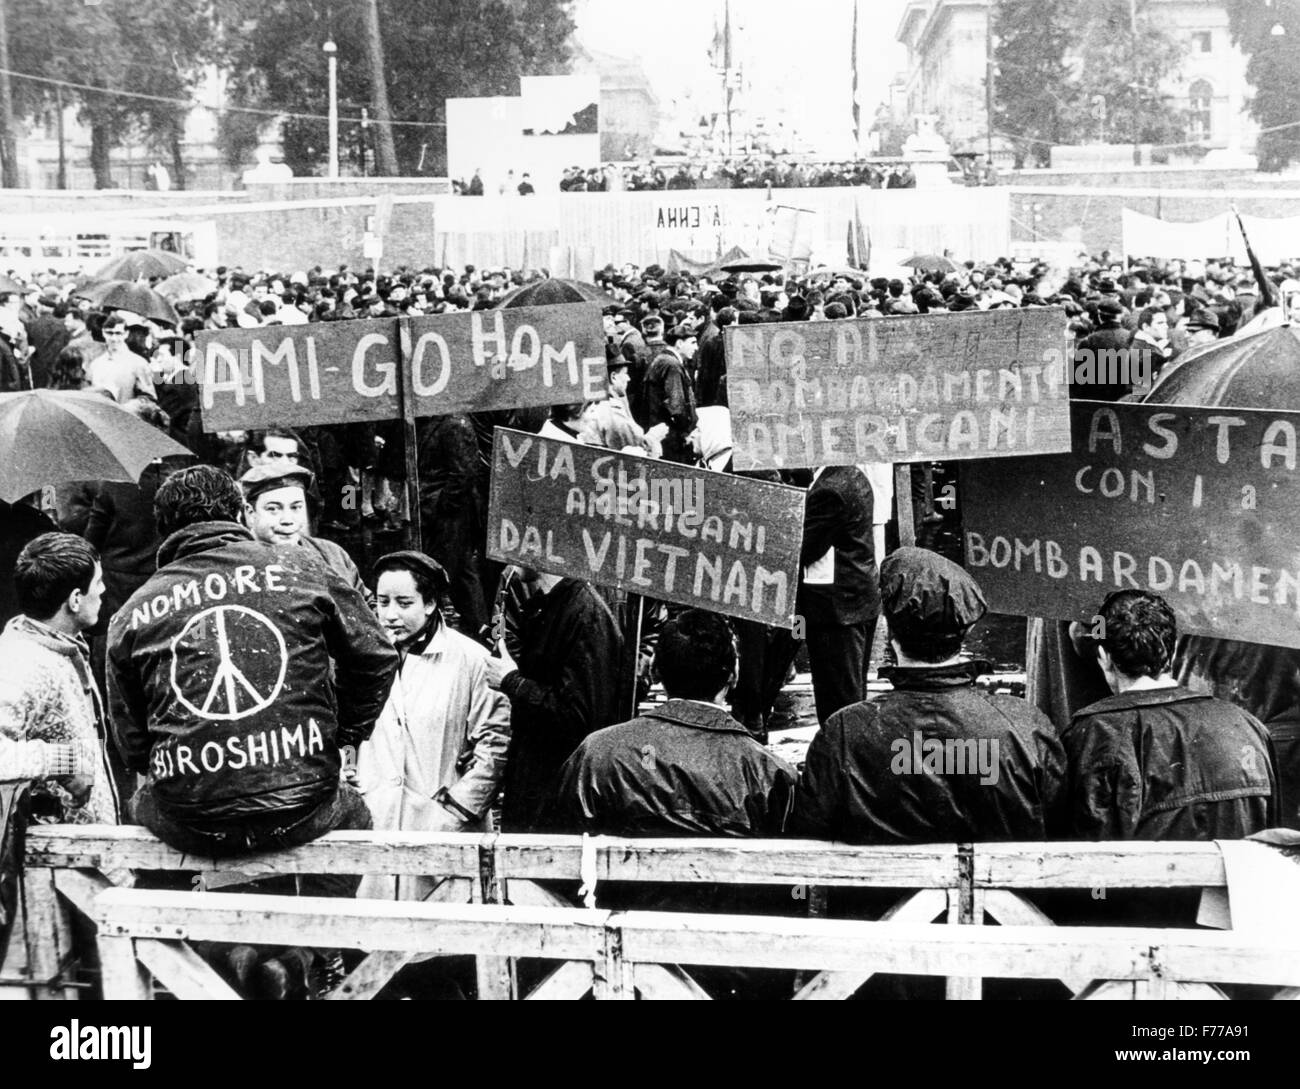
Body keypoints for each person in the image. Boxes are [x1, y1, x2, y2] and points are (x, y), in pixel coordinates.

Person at [106, 464, 396, 882]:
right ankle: (319, 944)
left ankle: (184, 940)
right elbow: (376, 656)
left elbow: (132, 743)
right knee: (355, 819)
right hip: (305, 806)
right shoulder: (302, 567)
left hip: (190, 820)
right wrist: (345, 733)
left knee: (141, 814)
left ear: (164, 527)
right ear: (240, 514)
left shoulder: (132, 612)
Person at [789, 547, 1066, 843]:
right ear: (965, 630)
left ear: (892, 638)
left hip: (886, 888)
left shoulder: (844, 733)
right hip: (1002, 888)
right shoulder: (1024, 726)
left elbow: (809, 834)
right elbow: (1062, 826)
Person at [551, 609, 794, 838]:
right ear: (734, 675)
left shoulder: (598, 754)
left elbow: (555, 848)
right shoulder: (771, 774)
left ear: (656, 670)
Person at [356, 551, 509, 902]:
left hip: (440, 823)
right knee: (373, 936)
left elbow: (494, 746)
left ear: (429, 604)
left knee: (440, 937)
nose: (390, 614)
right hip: (375, 819)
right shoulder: (360, 658)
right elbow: (344, 734)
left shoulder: (471, 660)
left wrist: (454, 812)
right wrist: (350, 774)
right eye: (383, 602)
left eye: (404, 602)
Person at [1062, 591, 1276, 840]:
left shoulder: (1092, 735)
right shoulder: (1248, 727)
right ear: (1172, 651)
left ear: (1105, 658)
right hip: (1238, 878)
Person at [484, 568, 623, 832]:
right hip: (542, 788)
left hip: (559, 797)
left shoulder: (584, 613)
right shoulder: (552, 604)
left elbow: (578, 716)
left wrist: (511, 681)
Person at [0, 533, 117, 826]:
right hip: (53, 863)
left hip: (83, 860)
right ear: (75, 599)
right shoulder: (22, 663)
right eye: (98, 581)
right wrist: (65, 764)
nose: (103, 590)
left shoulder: (54, 648)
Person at [239, 462, 368, 601]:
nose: (287, 520)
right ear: (250, 513)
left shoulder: (332, 555)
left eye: (296, 507)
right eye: (273, 509)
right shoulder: (237, 562)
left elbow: (367, 606)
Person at [641, 315, 697, 464]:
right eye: (692, 342)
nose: (696, 347)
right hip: (671, 438)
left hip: (661, 432)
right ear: (679, 343)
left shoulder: (663, 360)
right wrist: (686, 432)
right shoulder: (671, 365)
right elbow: (676, 406)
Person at [579, 357, 655, 454]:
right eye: (625, 373)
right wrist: (653, 437)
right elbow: (633, 449)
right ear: (613, 377)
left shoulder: (594, 403)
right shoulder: (612, 411)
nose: (628, 378)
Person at [87, 315, 153, 404]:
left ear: (126, 334)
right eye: (109, 333)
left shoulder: (138, 363)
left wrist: (130, 406)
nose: (114, 338)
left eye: (118, 333)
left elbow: (148, 398)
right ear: (103, 333)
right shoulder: (95, 363)